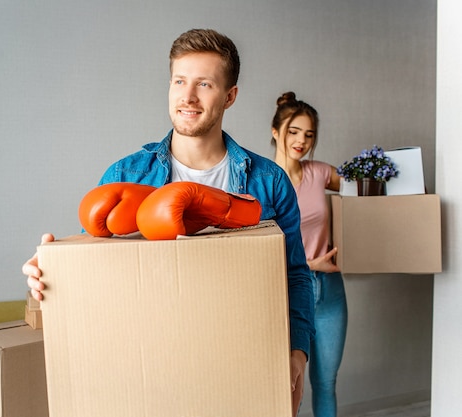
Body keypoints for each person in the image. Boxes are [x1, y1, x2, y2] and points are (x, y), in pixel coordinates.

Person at [22, 29, 315, 417]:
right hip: (152, 373)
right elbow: (102, 279)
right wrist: (49, 279)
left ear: (230, 96)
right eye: (179, 81)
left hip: (240, 365)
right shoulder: (126, 174)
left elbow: (294, 272)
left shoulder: (268, 181)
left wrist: (297, 352)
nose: (187, 97)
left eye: (204, 84)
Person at [271, 92, 348, 417]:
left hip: (330, 291)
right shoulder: (262, 182)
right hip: (286, 293)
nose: (301, 140)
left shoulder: (319, 173)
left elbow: (367, 193)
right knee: (288, 385)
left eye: (309, 134)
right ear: (276, 131)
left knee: (326, 383)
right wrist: (308, 263)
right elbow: (256, 247)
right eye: (293, 131)